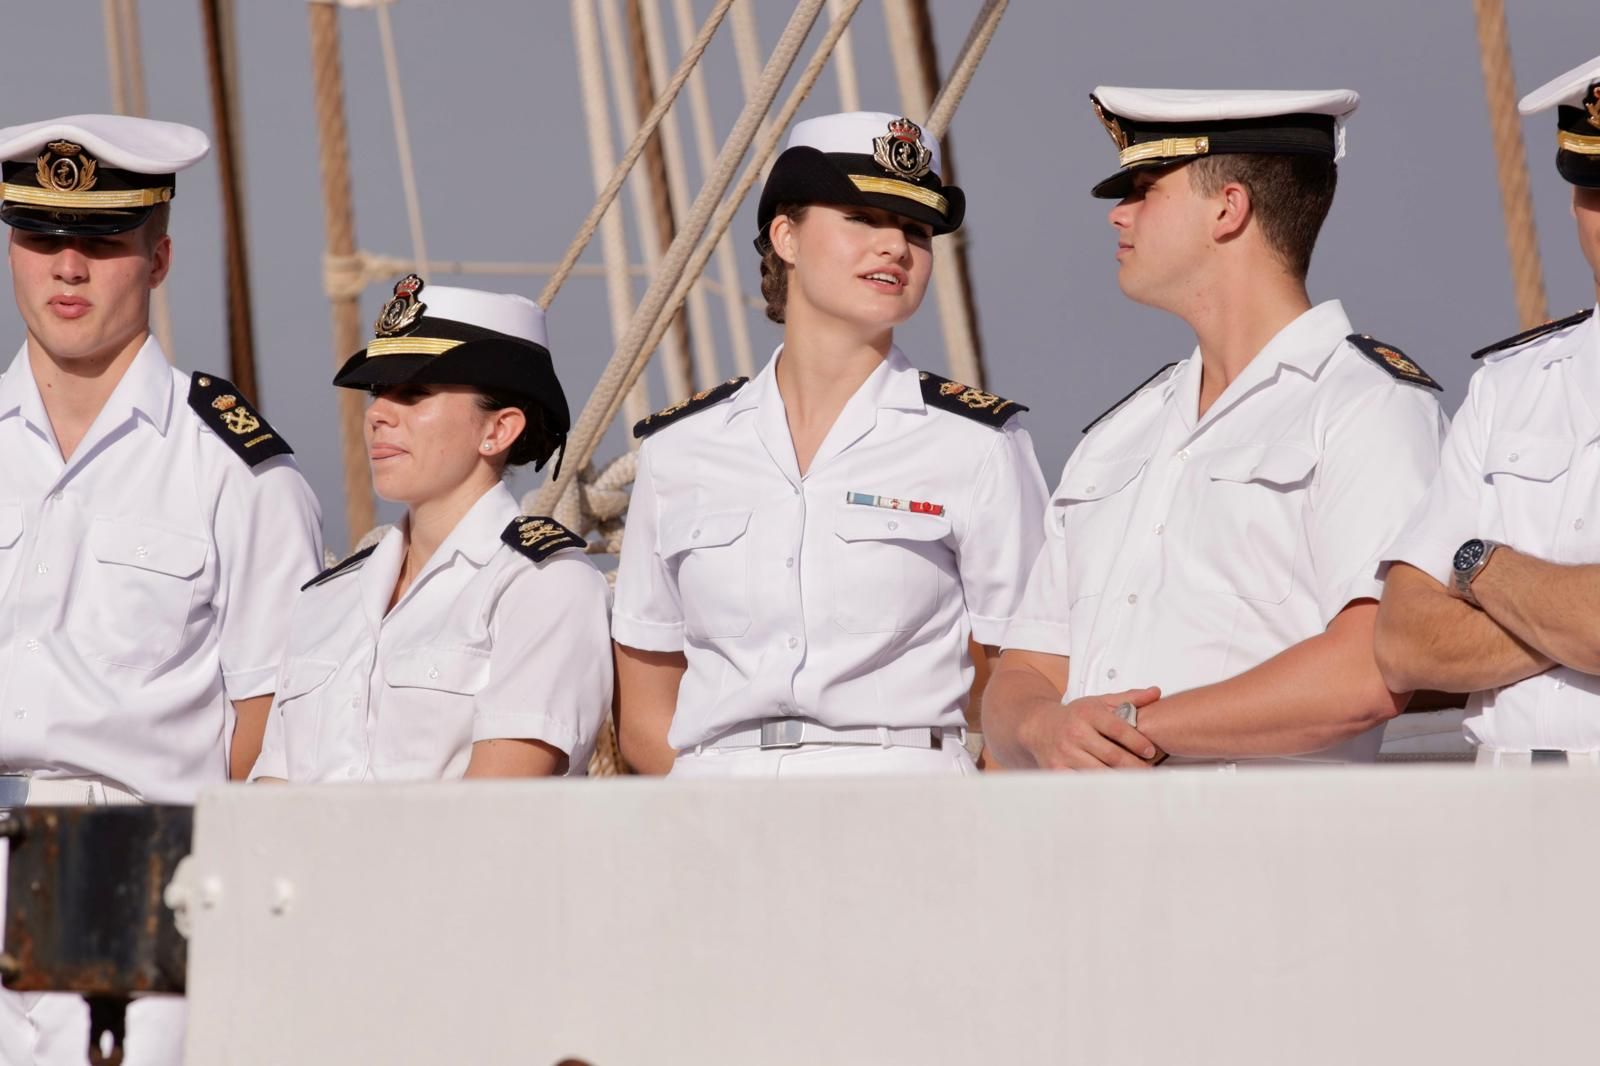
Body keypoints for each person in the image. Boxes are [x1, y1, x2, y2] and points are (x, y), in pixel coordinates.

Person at [984, 88, 1446, 770]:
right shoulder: (1119, 435)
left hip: (1256, 859)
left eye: (1144, 189)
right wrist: (1042, 730)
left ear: (1229, 208)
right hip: (1088, 857)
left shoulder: (1367, 407)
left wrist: (1125, 728)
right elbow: (1025, 672)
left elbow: (1370, 669)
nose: (1119, 214)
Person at [0, 115, 322, 1063]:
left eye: (100, 242)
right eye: (40, 237)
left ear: (159, 256)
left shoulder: (236, 474)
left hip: (138, 878)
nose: (67, 268)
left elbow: (274, 723)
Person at [611, 111, 1047, 778]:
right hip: (712, 815)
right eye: (863, 219)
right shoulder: (679, 450)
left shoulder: (977, 445)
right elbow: (646, 703)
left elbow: (1031, 667)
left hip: (904, 807)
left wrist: (966, 828)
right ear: (785, 235)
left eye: (915, 230)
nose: (895, 247)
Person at [249, 277, 610, 783]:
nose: (377, 414)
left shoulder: (544, 586)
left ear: (498, 430)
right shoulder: (324, 602)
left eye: (414, 394)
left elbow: (493, 809)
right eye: (378, 393)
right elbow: (271, 799)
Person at [1374, 54, 1600, 768]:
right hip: (1503, 810)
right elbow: (1405, 639)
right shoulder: (1511, 384)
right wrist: (1569, 619)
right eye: (1597, 187)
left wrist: (1479, 568)